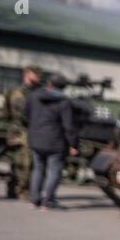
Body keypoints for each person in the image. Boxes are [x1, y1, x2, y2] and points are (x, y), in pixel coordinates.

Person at [23, 73, 78, 210]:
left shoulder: (33, 96)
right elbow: (68, 126)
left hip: (35, 139)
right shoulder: (64, 102)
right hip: (55, 141)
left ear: (48, 84)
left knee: (38, 169)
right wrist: (73, 144)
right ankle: (48, 202)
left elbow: (25, 115)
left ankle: (34, 200)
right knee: (54, 171)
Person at [3, 64, 41, 200]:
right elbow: (7, 112)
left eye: (39, 74)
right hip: (21, 131)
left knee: (24, 162)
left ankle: (16, 190)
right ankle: (20, 191)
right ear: (27, 74)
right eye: (35, 74)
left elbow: (6, 113)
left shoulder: (38, 92)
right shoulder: (16, 91)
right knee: (22, 162)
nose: (38, 76)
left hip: (27, 131)